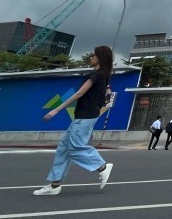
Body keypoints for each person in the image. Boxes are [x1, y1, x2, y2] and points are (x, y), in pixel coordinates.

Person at [33, 46, 114, 195]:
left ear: (100, 58)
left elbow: (78, 94)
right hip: (85, 116)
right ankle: (55, 185)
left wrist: (55, 110)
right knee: (63, 149)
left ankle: (102, 166)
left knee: (75, 148)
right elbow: (104, 99)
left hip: (85, 117)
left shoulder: (96, 75)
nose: (91, 57)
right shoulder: (103, 77)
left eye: (94, 55)